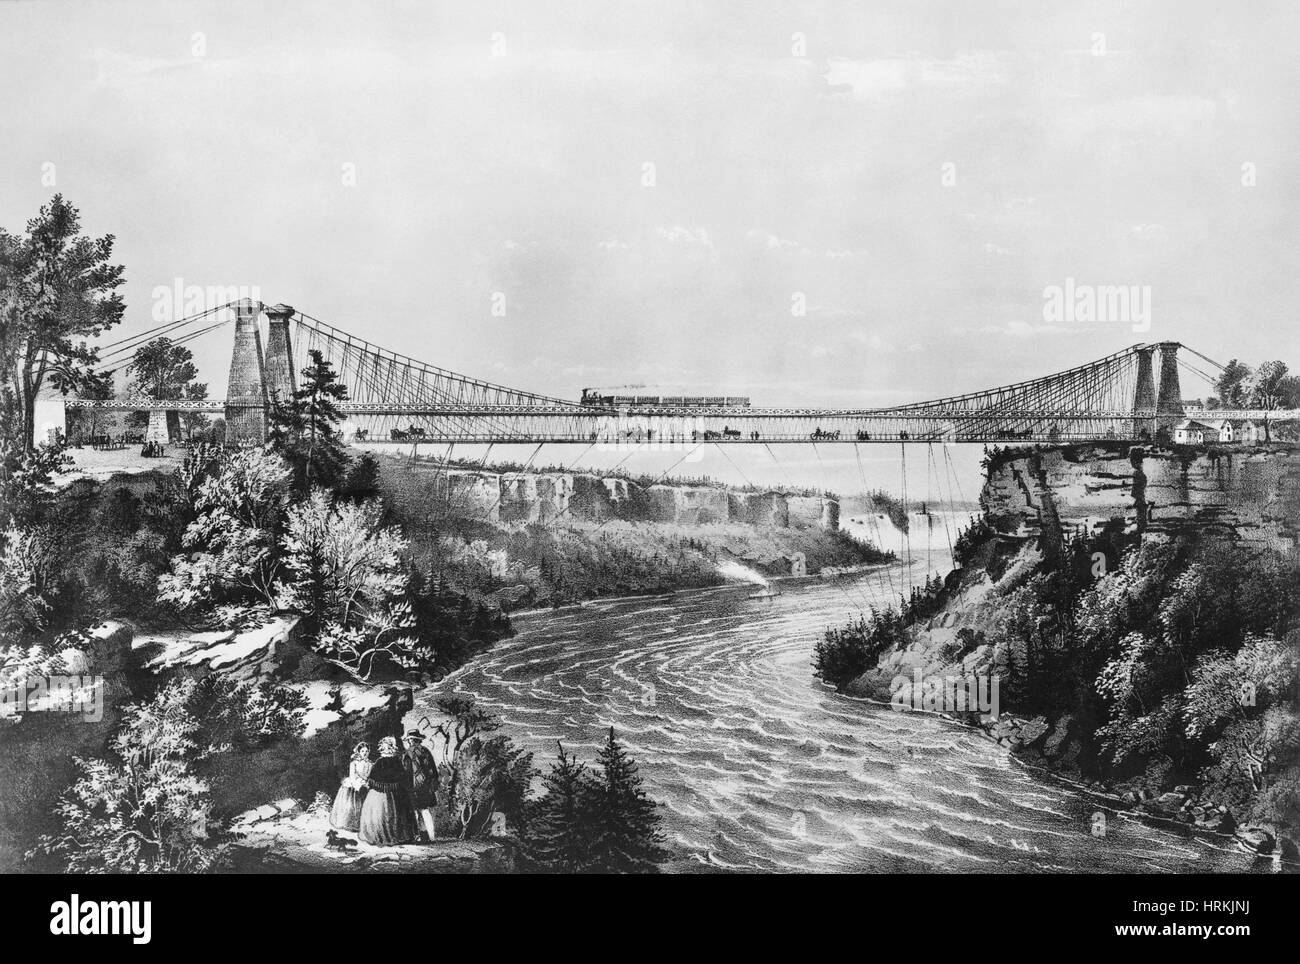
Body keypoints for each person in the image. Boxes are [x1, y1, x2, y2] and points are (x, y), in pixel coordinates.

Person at [358, 736, 417, 846]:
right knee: (383, 815)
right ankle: (383, 835)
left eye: (385, 745)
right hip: (382, 792)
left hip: (392, 793)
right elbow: (373, 778)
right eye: (383, 745)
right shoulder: (385, 761)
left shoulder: (393, 761)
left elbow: (401, 777)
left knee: (392, 814)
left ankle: (395, 836)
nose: (383, 747)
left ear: (390, 747)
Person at [403, 730, 440, 842]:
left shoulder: (408, 753)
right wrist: (432, 785)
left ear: (411, 740)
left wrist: (406, 787)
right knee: (425, 810)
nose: (409, 742)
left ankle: (417, 836)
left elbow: (407, 772)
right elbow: (433, 770)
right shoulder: (426, 751)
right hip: (426, 787)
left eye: (410, 739)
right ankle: (431, 836)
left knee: (415, 812)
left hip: (413, 787)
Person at [330, 742, 372, 832]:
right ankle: (353, 824)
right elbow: (352, 776)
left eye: (367, 751)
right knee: (351, 806)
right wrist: (358, 784)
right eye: (362, 751)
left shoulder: (370, 763)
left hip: (365, 783)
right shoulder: (354, 763)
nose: (365, 753)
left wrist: (365, 782)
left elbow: (369, 776)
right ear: (359, 752)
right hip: (354, 784)